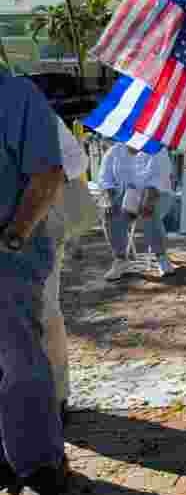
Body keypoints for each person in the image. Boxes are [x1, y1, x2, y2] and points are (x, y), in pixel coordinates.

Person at [0, 65, 68, 495]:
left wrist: (11, 240)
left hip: (8, 258)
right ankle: (7, 461)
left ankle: (41, 467)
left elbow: (47, 177)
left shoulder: (18, 96)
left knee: (20, 363)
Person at [42, 117, 90, 424]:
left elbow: (75, 160)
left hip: (36, 222)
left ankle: (56, 397)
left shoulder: (25, 101)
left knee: (43, 310)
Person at [98, 143, 175, 280]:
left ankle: (161, 256)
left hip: (157, 195)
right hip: (127, 198)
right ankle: (120, 259)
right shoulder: (114, 151)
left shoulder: (157, 149)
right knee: (110, 211)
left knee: (147, 209)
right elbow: (105, 179)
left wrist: (148, 199)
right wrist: (109, 199)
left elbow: (160, 179)